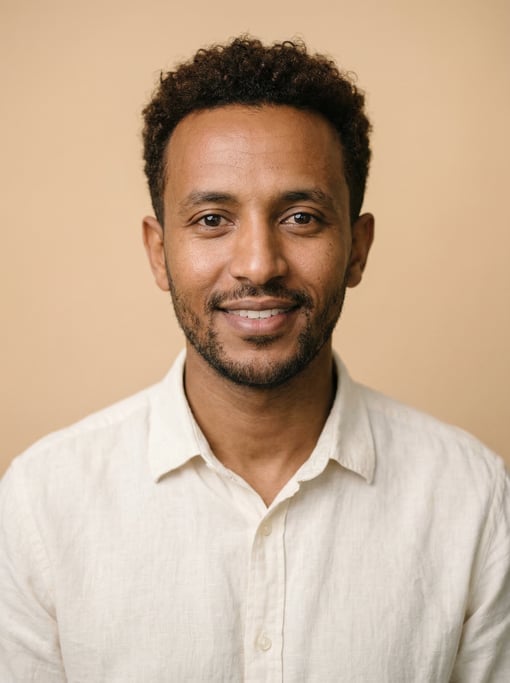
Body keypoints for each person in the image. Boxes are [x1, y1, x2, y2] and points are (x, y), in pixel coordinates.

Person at [1, 36, 509, 682]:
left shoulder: (472, 500)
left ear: (358, 247)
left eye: (301, 217)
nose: (258, 263)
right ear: (159, 252)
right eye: (212, 219)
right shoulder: (43, 504)